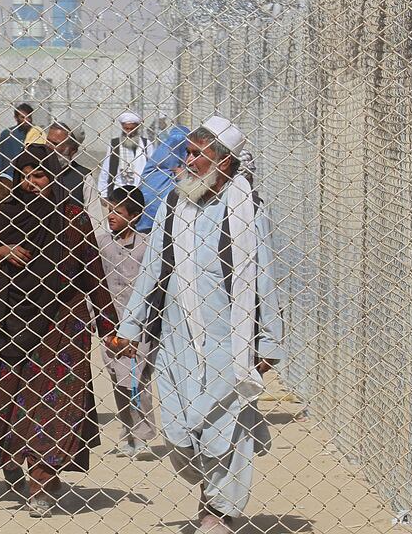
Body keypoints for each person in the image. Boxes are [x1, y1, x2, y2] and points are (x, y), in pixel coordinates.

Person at [108, 116, 284, 534]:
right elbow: (153, 268)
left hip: (230, 337)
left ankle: (218, 511)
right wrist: (130, 326)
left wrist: (267, 343)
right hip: (176, 336)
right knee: (179, 431)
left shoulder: (246, 208)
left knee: (227, 422)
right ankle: (208, 489)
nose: (184, 161)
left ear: (223, 163)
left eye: (195, 155)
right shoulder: (174, 203)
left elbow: (264, 275)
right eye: (186, 152)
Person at [0, 145, 116, 517]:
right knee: (14, 403)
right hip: (14, 323)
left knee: (56, 404)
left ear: (52, 178)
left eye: (40, 176)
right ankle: (32, 468)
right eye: (25, 176)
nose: (32, 184)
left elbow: (92, 271)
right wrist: (0, 252)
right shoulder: (1, 216)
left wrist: (110, 326)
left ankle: (42, 480)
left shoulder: (71, 217)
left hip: (63, 324)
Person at [86, 184, 156, 459]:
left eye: (118, 210)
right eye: (110, 209)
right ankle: (127, 433)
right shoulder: (102, 244)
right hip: (109, 323)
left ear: (135, 215)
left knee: (135, 380)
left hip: (139, 326)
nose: (111, 215)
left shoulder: (146, 247)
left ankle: (142, 435)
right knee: (117, 379)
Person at [138, 124, 190, 233]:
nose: (176, 149)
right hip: (146, 225)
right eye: (172, 144)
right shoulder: (153, 170)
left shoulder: (190, 169)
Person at [98, 111, 152, 197]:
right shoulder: (114, 144)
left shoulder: (146, 144)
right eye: (126, 129)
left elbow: (152, 167)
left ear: (137, 128)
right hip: (118, 189)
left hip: (140, 190)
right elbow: (106, 170)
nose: (129, 132)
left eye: (132, 129)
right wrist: (103, 193)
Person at [46, 122, 90, 207]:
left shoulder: (84, 179)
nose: (48, 146)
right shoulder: (34, 168)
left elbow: (94, 218)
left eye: (55, 144)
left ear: (72, 150)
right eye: (47, 141)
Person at [0, 103, 35, 180]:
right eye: (23, 117)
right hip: (9, 175)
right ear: (16, 118)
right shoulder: (7, 134)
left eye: (29, 117)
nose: (27, 120)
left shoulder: (36, 133)